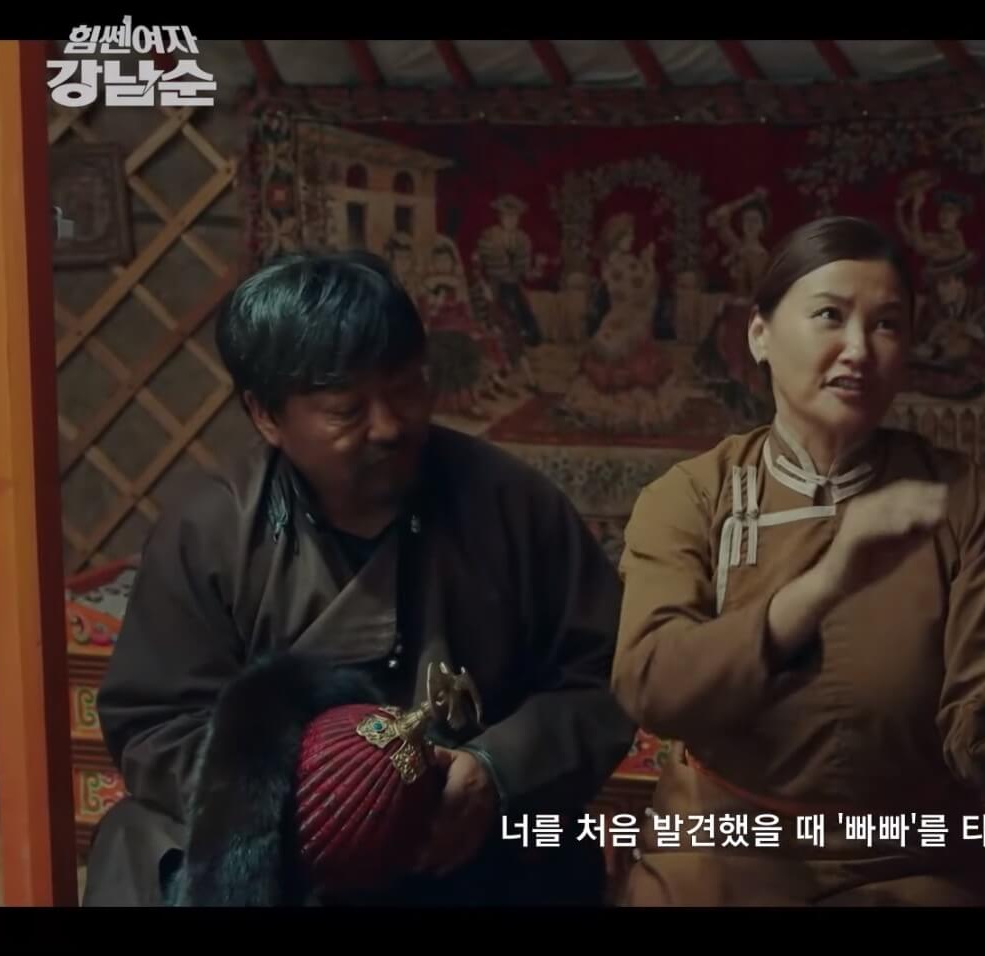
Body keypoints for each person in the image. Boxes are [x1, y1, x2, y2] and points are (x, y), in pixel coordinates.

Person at [84, 250, 636, 906]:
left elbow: (605, 676)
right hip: (286, 849)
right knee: (136, 844)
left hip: (467, 834)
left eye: (406, 387)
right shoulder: (210, 531)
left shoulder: (512, 505)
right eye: (347, 409)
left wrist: (497, 769)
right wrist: (309, 799)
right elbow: (155, 720)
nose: (391, 426)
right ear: (266, 416)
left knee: (553, 844)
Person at [611, 216, 985, 906]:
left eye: (887, 325)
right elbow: (651, 686)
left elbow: (976, 747)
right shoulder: (691, 496)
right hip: (721, 845)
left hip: (912, 858)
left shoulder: (963, 499)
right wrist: (826, 583)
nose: (859, 349)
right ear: (760, 334)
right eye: (830, 315)